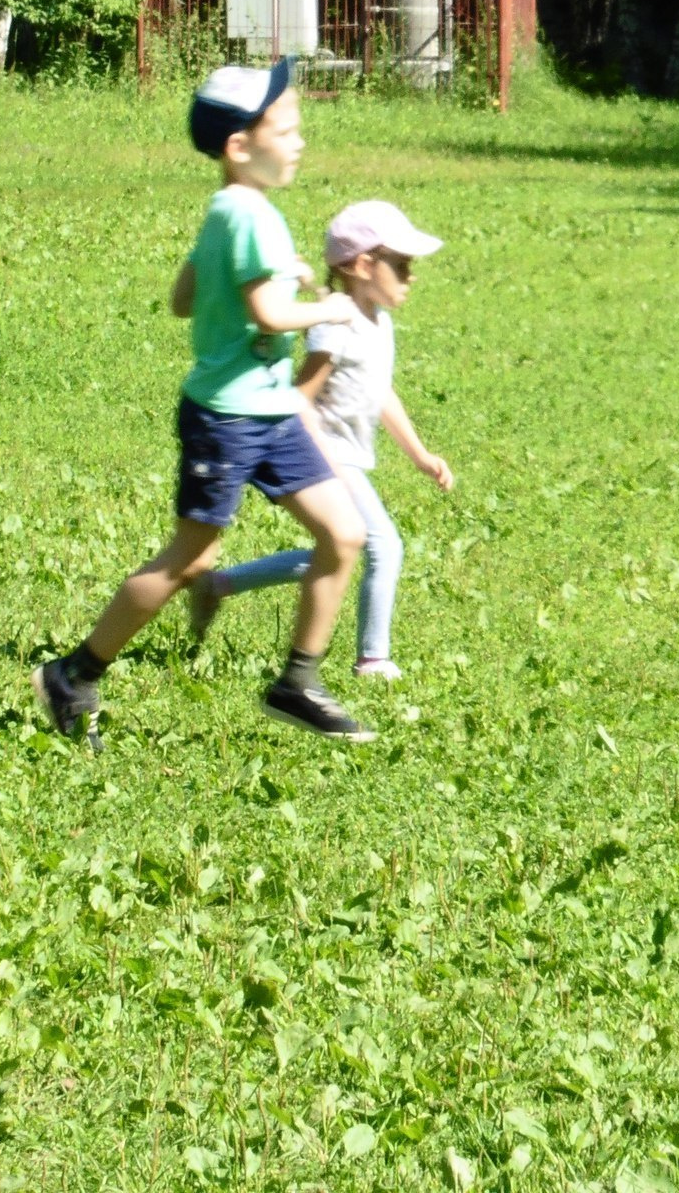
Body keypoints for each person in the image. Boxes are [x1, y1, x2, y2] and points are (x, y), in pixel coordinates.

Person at [33, 59, 379, 746]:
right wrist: (326, 304)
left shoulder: (228, 211)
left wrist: (275, 274)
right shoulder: (252, 215)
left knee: (344, 535)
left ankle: (298, 684)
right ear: (239, 147)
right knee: (187, 558)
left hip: (271, 411)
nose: (300, 141)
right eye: (287, 129)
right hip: (228, 418)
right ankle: (73, 673)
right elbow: (268, 313)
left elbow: (184, 298)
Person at [187, 201, 453, 679]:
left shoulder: (378, 319)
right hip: (328, 453)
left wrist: (420, 454)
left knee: (337, 550)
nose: (411, 276)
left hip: (345, 454)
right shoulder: (335, 324)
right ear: (361, 266)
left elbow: (380, 391)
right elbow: (300, 398)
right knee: (385, 546)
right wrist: (326, 457)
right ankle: (373, 658)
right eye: (402, 265)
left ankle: (219, 585)